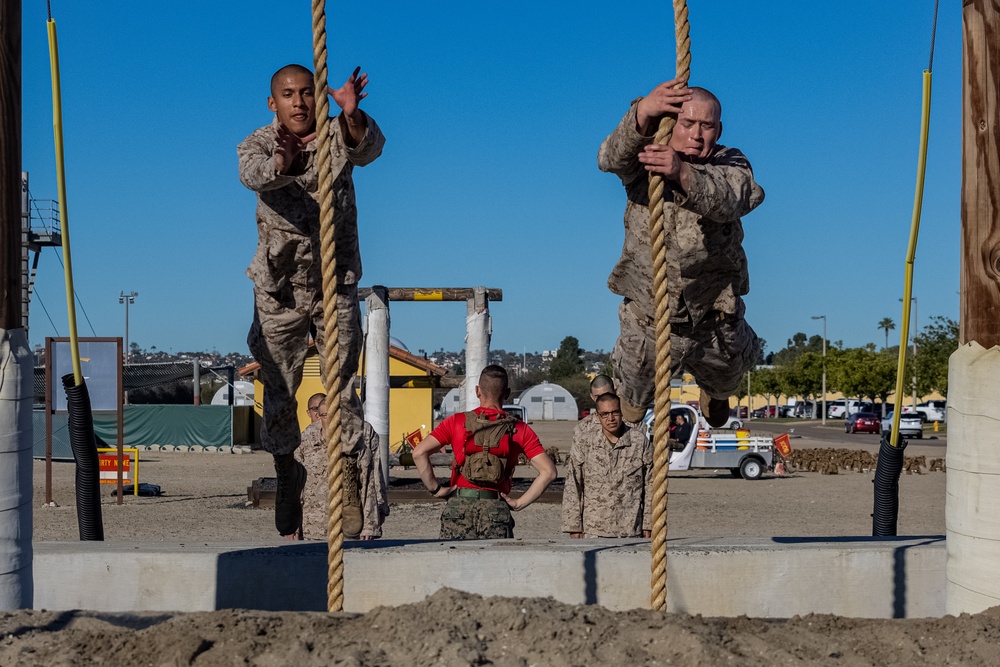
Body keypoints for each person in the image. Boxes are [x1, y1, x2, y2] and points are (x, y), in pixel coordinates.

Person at [238, 63, 385, 537]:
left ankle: (343, 479)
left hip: (333, 281)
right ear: (272, 102)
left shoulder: (335, 133)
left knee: (342, 384)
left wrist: (352, 114)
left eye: (306, 93)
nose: (298, 102)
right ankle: (287, 472)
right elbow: (254, 175)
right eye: (288, 94)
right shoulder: (261, 141)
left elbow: (369, 150)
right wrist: (283, 163)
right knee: (281, 390)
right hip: (280, 288)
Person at [597, 80, 764, 428]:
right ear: (671, 123)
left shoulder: (729, 162)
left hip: (714, 320)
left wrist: (682, 172)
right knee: (631, 407)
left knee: (724, 387)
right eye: (688, 124)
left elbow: (740, 195)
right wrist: (642, 113)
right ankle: (635, 401)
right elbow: (608, 158)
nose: (697, 135)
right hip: (650, 318)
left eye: (707, 126)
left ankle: (714, 394)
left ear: (719, 130)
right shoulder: (643, 160)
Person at [411, 365, 557, 539]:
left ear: (477, 391)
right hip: (495, 509)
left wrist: (436, 490)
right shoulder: (519, 429)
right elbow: (549, 472)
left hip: (458, 508)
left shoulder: (456, 422)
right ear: (507, 393)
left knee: (454, 564)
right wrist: (518, 503)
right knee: (494, 566)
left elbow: (419, 453)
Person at [295, 395, 389, 540]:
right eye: (326, 415)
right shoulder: (307, 439)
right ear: (319, 416)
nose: (332, 420)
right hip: (314, 526)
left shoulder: (362, 437)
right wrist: (293, 524)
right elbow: (295, 484)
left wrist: (371, 523)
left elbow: (372, 479)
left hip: (352, 525)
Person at [562, 393, 653, 538]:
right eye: (604, 414)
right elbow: (573, 485)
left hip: (630, 530)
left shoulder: (639, 442)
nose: (610, 419)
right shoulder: (585, 442)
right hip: (593, 531)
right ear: (597, 416)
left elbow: (651, 485)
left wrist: (649, 523)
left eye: (614, 412)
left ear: (621, 412)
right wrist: (574, 526)